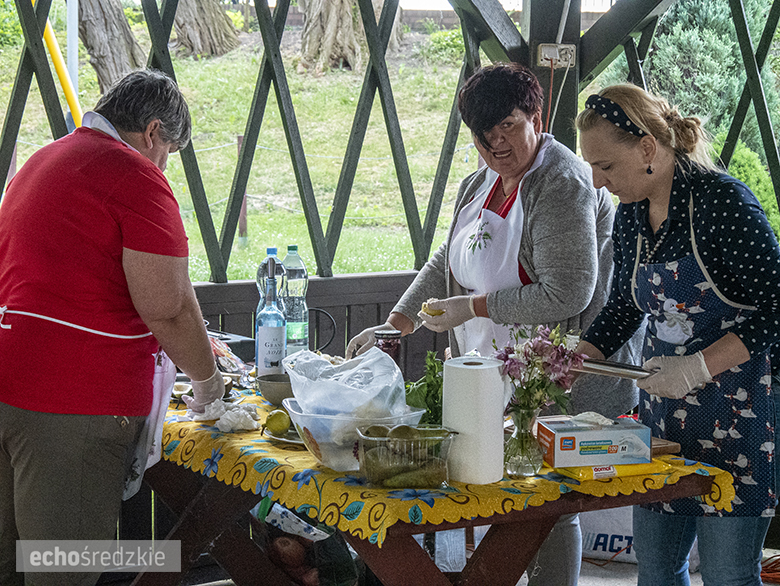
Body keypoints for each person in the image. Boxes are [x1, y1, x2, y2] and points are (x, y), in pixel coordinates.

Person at [347, 63, 640, 586]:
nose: (496, 143)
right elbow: (447, 261)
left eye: (508, 125)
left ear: (536, 115)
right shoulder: (478, 182)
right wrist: (398, 321)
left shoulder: (562, 181)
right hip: (497, 367)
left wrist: (473, 308)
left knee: (551, 502)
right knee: (508, 494)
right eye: (484, 135)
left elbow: (568, 291)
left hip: (563, 373)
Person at [0, 69, 225, 586]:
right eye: (167, 153)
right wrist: (209, 383)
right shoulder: (134, 176)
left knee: (14, 564)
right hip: (70, 404)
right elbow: (166, 307)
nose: (163, 166)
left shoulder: (43, 160)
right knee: (63, 569)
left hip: (11, 385)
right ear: (152, 133)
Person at [575, 84, 780, 586]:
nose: (599, 183)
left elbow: (777, 306)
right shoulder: (631, 215)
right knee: (658, 566)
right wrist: (574, 359)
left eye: (605, 166)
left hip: (742, 415)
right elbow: (626, 305)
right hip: (667, 421)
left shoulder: (721, 202)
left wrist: (698, 367)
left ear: (647, 149)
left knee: (729, 573)